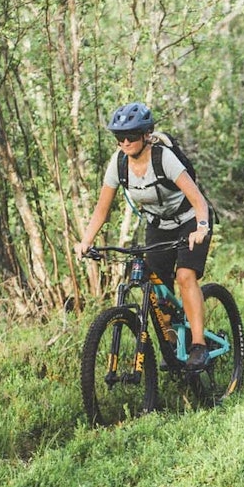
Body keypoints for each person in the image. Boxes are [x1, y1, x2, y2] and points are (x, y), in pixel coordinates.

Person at [74, 102, 213, 369]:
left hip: (190, 220)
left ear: (146, 135)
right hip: (158, 224)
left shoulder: (164, 158)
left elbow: (198, 200)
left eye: (131, 136)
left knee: (185, 276)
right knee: (156, 282)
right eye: (119, 137)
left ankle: (198, 346)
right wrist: (87, 240)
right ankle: (172, 344)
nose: (124, 142)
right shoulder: (119, 164)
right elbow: (101, 211)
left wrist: (202, 227)